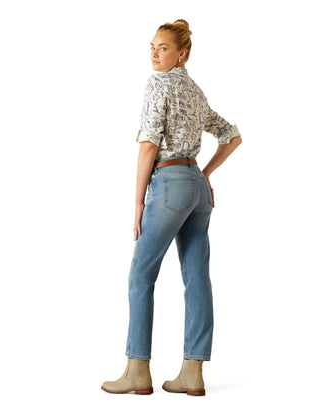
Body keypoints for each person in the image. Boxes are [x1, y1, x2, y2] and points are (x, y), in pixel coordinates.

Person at [101, 19, 242, 396]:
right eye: (151, 47)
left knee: (141, 274)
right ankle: (192, 374)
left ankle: (137, 370)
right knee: (196, 276)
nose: (154, 54)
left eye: (162, 48)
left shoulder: (158, 84)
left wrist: (137, 202)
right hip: (196, 186)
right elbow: (232, 135)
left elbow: (149, 145)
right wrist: (204, 174)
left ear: (182, 54)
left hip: (168, 183)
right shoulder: (196, 92)